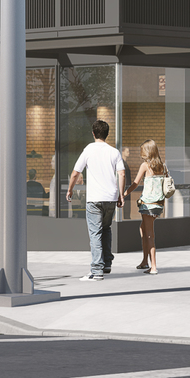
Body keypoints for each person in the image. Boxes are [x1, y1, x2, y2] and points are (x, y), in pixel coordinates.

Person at [67, 119, 126, 280]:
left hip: (94, 199)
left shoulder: (88, 150)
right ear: (107, 134)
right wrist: (121, 195)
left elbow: (75, 173)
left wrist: (70, 189)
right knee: (106, 229)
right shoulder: (114, 152)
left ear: (93, 133)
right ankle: (106, 263)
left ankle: (96, 270)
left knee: (95, 233)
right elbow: (122, 174)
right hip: (111, 198)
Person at [130, 140, 175, 275]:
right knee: (143, 228)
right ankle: (144, 261)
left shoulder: (145, 165)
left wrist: (124, 194)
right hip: (158, 204)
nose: (141, 153)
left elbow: (135, 183)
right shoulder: (163, 166)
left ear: (148, 151)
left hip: (148, 204)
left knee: (150, 235)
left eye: (142, 150)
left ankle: (153, 266)